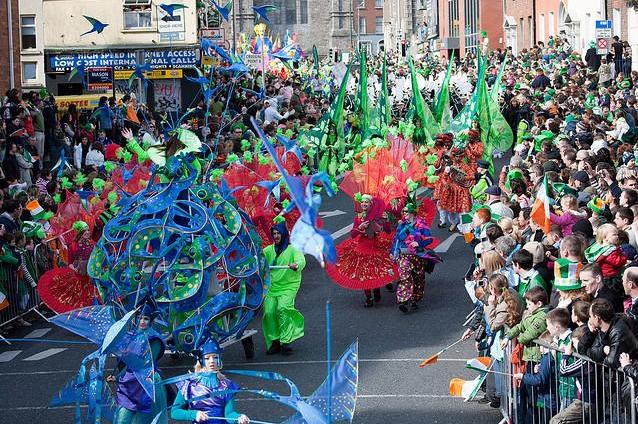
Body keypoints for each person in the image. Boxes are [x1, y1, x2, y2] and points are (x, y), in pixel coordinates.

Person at [326, 194, 398, 307]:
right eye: (362, 202)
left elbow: (388, 231)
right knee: (364, 274)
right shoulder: (359, 218)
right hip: (362, 249)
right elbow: (353, 234)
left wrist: (386, 220)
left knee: (374, 271)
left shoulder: (378, 217)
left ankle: (376, 289)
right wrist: (360, 228)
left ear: (371, 204)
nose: (364, 204)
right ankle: (369, 297)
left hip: (375, 248)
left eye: (366, 202)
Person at [111, 304, 168, 424]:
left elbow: (146, 363)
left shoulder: (154, 339)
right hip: (129, 384)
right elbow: (130, 366)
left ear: (151, 321)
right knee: (121, 420)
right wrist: (117, 376)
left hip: (147, 384)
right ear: (134, 319)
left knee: (143, 421)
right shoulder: (131, 336)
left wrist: (128, 355)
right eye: (139, 318)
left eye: (146, 318)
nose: (142, 321)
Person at [170, 339, 250, 424]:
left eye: (215, 357)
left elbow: (229, 414)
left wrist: (238, 418)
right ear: (201, 360)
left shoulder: (227, 385)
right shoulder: (188, 385)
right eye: (207, 358)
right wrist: (193, 414)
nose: (212, 361)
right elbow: (175, 412)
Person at [262, 223, 306, 355]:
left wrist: (296, 265)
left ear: (284, 234)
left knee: (283, 309)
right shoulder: (268, 250)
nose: (276, 236)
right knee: (269, 312)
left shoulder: (293, 249)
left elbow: (301, 261)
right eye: (274, 234)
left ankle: (285, 341)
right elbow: (259, 260)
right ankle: (274, 341)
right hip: (272, 286)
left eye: (278, 233)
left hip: (288, 285)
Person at [391, 202, 440, 313]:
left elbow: (429, 239)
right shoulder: (401, 225)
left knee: (418, 277)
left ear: (413, 212)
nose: (404, 213)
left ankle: (415, 299)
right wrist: (393, 251)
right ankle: (403, 300)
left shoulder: (421, 224)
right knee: (404, 276)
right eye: (403, 211)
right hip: (404, 255)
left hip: (417, 255)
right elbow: (396, 240)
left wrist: (419, 243)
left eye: (406, 211)